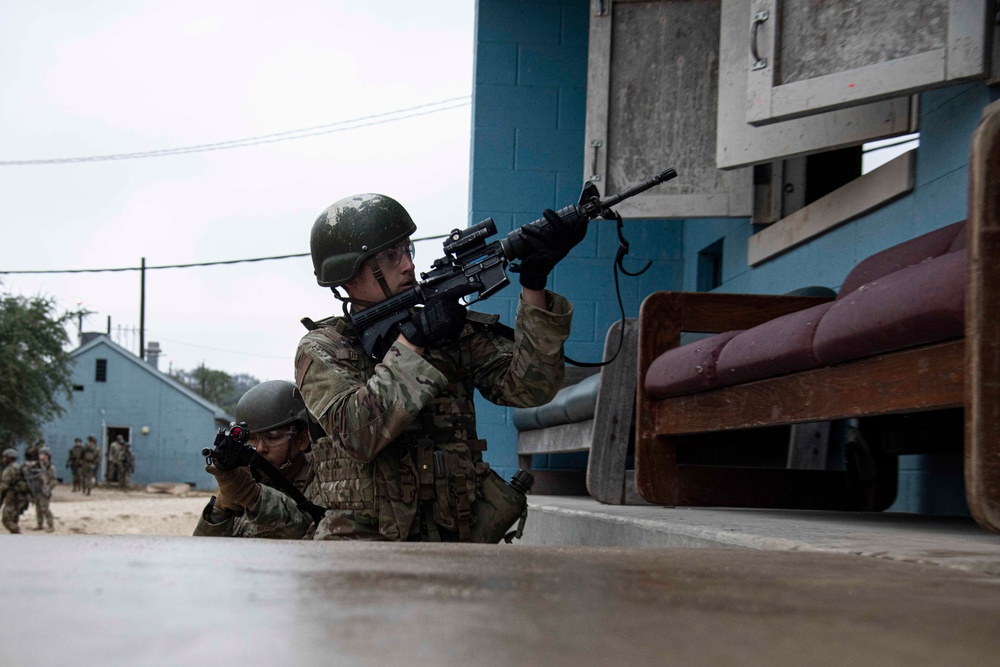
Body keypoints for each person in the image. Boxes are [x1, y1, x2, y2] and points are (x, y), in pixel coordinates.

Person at [294, 193, 579, 541]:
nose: (408, 265)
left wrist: (534, 285)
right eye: (389, 256)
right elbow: (359, 436)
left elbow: (531, 388)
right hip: (360, 549)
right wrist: (415, 339)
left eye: (406, 250)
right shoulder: (323, 349)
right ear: (348, 273)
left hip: (453, 538)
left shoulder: (447, 328)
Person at [193, 380, 317, 539]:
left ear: (302, 439)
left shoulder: (322, 479)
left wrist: (252, 496)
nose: (259, 448)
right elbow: (204, 550)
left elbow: (312, 531)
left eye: (272, 438)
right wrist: (220, 509)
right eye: (251, 438)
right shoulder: (250, 478)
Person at [0, 449, 30, 534]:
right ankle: (15, 537)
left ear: (9, 458)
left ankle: (17, 533)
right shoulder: (18, 466)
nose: (3, 459)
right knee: (13, 518)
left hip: (14, 498)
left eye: (5, 457)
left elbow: (4, 486)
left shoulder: (10, 469)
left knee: (6, 519)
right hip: (21, 498)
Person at [27, 447, 56, 532]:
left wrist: (48, 488)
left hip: (44, 490)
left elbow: (53, 480)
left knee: (44, 508)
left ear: (47, 456)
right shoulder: (37, 465)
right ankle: (39, 524)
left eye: (43, 454)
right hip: (36, 489)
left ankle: (51, 525)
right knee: (38, 508)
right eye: (40, 454)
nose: (41, 456)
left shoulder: (50, 467)